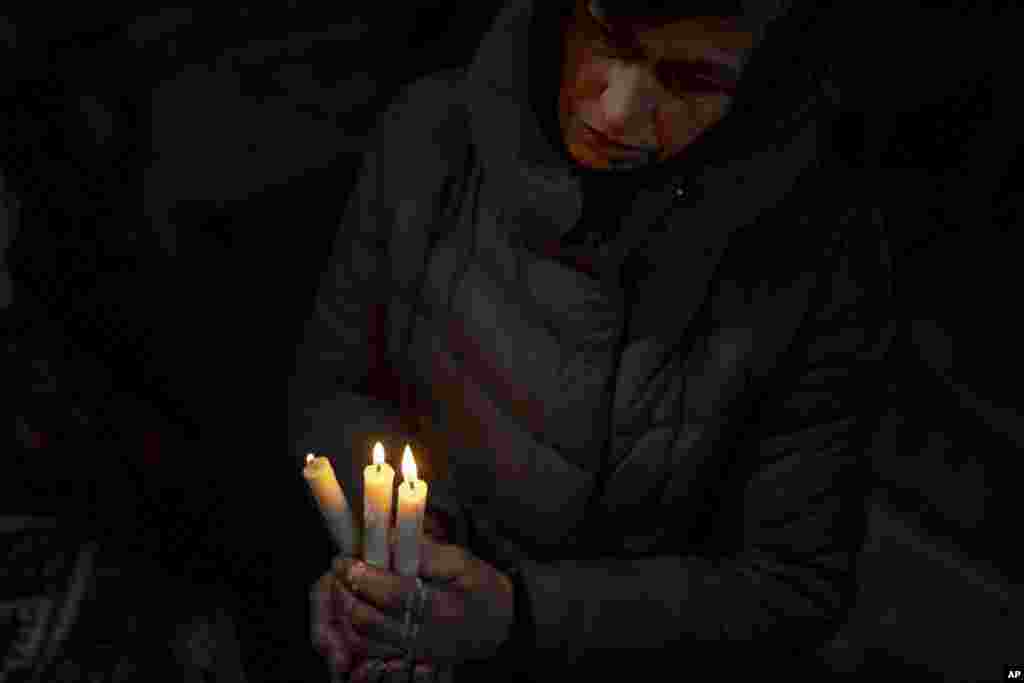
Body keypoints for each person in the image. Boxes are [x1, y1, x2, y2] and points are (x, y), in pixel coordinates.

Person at [295, 0, 894, 680]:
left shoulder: (815, 267)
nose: (614, 111)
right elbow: (331, 390)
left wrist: (522, 618)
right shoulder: (427, 139)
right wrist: (389, 565)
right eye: (608, 37)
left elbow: (794, 582)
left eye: (694, 81)